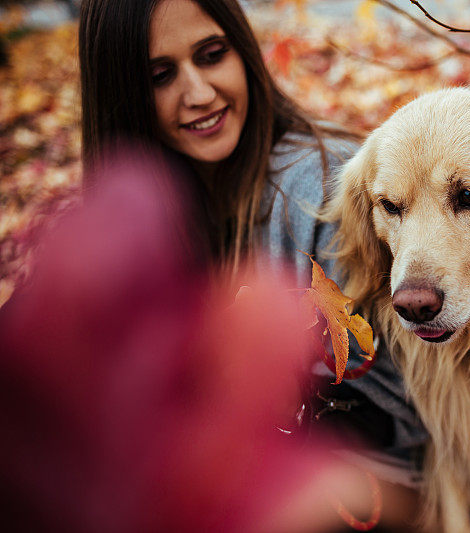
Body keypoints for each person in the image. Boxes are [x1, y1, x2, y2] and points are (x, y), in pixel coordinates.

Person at [78, 0, 427, 529]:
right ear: (121, 96)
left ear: (242, 50)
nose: (198, 94)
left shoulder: (317, 194)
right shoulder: (153, 216)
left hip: (375, 484)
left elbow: (420, 399)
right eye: (160, 76)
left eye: (212, 55)